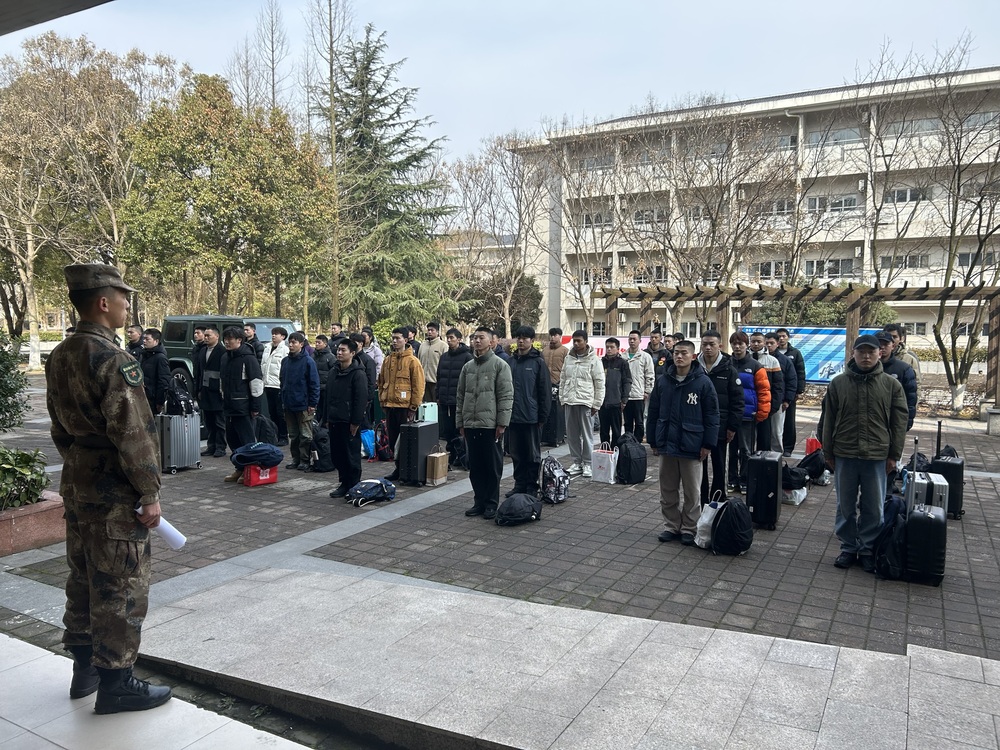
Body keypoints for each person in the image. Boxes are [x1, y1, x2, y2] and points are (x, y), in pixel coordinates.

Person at [45, 263, 172, 713]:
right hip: (116, 489)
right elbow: (134, 434)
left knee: (82, 575)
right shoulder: (114, 359)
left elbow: (59, 428)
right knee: (120, 583)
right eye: (123, 299)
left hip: (79, 481)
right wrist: (149, 492)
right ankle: (117, 683)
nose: (126, 307)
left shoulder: (60, 354)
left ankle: (85, 670)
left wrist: (80, 463)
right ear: (103, 302)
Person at [823, 334, 908, 572]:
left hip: (877, 455)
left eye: (871, 352)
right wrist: (827, 452)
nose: (866, 356)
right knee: (845, 506)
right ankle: (848, 548)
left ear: (880, 353)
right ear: (853, 354)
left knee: (874, 506)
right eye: (861, 352)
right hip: (845, 452)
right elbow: (827, 419)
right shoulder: (838, 383)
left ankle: (868, 548)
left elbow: (899, 423)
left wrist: (894, 455)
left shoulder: (891, 385)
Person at [646, 340, 719, 545]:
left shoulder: (702, 382)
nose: (679, 356)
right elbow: (653, 411)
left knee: (692, 491)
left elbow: (712, 415)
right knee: (667, 490)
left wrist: (708, 444)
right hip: (667, 443)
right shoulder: (664, 381)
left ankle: (689, 527)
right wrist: (653, 439)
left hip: (692, 444)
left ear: (692, 356)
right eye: (676, 353)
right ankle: (671, 525)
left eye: (684, 353)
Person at [457, 326, 514, 518]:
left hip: (490, 426)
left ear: (491, 341)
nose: (477, 341)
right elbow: (460, 396)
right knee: (475, 466)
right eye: (475, 338)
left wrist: (502, 423)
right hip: (471, 424)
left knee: (492, 466)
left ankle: (491, 503)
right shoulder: (468, 367)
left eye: (481, 337)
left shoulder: (500, 365)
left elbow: (506, 396)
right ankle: (479, 502)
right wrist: (460, 422)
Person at [697, 330, 743, 504]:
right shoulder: (694, 368)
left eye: (712, 344)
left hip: (720, 426)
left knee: (719, 464)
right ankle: (701, 499)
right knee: (698, 465)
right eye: (705, 344)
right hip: (697, 426)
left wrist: (732, 426)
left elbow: (738, 401)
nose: (708, 348)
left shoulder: (729, 370)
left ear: (720, 346)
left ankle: (718, 498)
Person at [506, 326, 551, 498]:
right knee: (516, 453)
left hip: (531, 417)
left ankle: (532, 486)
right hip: (512, 416)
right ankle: (519, 484)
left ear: (532, 341)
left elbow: (544, 391)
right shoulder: (510, 362)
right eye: (518, 337)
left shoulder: (538, 362)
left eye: (525, 338)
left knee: (532, 455)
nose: (521, 341)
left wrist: (543, 416)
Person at [376, 327, 425, 481]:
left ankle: (407, 470)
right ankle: (398, 468)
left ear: (406, 340)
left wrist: (413, 407)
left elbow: (418, 386)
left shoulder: (412, 361)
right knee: (393, 440)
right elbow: (381, 382)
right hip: (390, 406)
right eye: (393, 338)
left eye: (398, 338)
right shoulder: (387, 360)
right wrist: (382, 401)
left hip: (404, 408)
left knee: (405, 441)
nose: (395, 341)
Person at [728, 331, 771, 493]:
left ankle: (745, 480)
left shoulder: (755, 366)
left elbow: (764, 392)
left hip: (748, 415)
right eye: (734, 343)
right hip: (730, 415)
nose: (737, 347)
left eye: (741, 343)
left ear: (747, 345)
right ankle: (732, 480)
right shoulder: (726, 364)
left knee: (746, 450)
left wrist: (761, 413)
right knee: (731, 451)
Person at [326, 338, 369, 498]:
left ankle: (353, 484)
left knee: (351, 455)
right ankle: (344, 482)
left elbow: (360, 399)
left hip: (349, 421)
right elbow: (328, 396)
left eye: (343, 350)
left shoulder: (358, 374)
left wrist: (356, 422)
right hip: (334, 419)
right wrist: (326, 417)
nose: (339, 353)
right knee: (337, 454)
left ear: (352, 353)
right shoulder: (334, 371)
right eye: (338, 350)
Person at [220, 326, 264, 483]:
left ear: (239, 340)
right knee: (232, 440)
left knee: (247, 441)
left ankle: (250, 470)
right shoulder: (225, 357)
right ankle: (239, 468)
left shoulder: (248, 358)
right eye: (225, 339)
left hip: (243, 408)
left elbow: (256, 383)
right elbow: (222, 381)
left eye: (230, 339)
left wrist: (255, 407)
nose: (227, 342)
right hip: (229, 407)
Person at [559, 330, 605, 478]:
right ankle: (576, 462)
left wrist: (596, 404)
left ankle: (588, 463)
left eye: (579, 340)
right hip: (569, 401)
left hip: (586, 402)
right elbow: (563, 379)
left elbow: (599, 383)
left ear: (586, 341)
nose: (576, 343)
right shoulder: (569, 358)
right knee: (572, 435)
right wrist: (562, 398)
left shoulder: (594, 359)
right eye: (574, 341)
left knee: (586, 435)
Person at [279, 331, 320, 471]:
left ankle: (305, 460)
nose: (291, 345)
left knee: (305, 435)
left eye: (294, 342)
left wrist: (312, 404)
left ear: (301, 344)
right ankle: (295, 459)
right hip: (289, 404)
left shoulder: (308, 361)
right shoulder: (285, 361)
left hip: (304, 405)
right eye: (289, 342)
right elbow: (282, 381)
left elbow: (314, 384)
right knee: (293, 435)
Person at [436, 327, 473, 447]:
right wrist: (438, 395)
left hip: (458, 400)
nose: (449, 340)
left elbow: (470, 380)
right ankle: (450, 451)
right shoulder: (444, 357)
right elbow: (439, 377)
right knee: (446, 429)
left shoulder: (467, 357)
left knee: (458, 429)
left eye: (451, 338)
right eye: (447, 338)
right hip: (444, 399)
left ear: (459, 339)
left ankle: (460, 452)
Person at [749, 331, 783, 452]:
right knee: (747, 440)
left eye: (759, 341)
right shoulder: (744, 359)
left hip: (765, 406)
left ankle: (763, 462)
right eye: (753, 341)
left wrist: (773, 406)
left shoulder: (772, 361)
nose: (756, 344)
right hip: (748, 406)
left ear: (764, 343)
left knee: (764, 440)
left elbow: (778, 386)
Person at [876, 331, 918, 430]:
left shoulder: (903, 368)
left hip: (895, 421)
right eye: (879, 344)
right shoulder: (865, 369)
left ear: (893, 346)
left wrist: (907, 422)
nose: (882, 347)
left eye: (886, 344)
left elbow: (911, 397)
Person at [775, 328, 807, 456]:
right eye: (779, 336)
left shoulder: (795, 353)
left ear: (788, 337)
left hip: (790, 392)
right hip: (776, 393)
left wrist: (799, 390)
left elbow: (800, 372)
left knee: (789, 421)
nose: (781, 338)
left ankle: (788, 448)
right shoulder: (772, 353)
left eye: (784, 336)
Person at [765, 332, 798, 455]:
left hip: (778, 401)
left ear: (777, 344)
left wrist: (787, 400)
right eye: (767, 343)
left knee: (776, 431)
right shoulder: (757, 359)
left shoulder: (785, 360)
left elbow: (791, 380)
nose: (769, 346)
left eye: (771, 343)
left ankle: (776, 456)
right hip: (762, 401)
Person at [196, 325, 226, 458]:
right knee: (208, 421)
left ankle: (220, 447)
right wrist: (198, 389)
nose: (206, 338)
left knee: (219, 421)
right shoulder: (202, 351)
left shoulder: (222, 351)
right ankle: (211, 446)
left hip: (217, 391)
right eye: (205, 336)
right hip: (205, 390)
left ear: (217, 336)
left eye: (209, 335)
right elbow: (199, 371)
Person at [599, 337, 632, 446]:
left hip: (616, 402)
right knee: (603, 431)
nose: (609, 349)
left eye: (612, 347)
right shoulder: (601, 362)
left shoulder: (622, 363)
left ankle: (616, 451)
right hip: (603, 403)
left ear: (618, 349)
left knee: (616, 431)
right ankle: (604, 451)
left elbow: (627, 382)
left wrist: (624, 399)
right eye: (607, 347)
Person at [624, 330, 654, 442]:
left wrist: (647, 391)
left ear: (640, 341)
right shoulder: (623, 357)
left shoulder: (645, 357)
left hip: (639, 395)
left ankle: (637, 443)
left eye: (634, 339)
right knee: (627, 422)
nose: (632, 341)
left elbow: (650, 375)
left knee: (639, 422)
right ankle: (628, 443)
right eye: (630, 339)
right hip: (626, 396)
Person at [261, 326, 289, 446]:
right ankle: (275, 435)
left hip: (278, 385)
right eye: (272, 333)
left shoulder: (285, 350)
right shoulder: (267, 347)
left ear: (282, 337)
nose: (273, 336)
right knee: (271, 412)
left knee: (280, 413)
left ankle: (283, 436)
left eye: (276, 334)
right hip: (267, 384)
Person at [541, 327, 568, 447]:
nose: (552, 337)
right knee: (546, 410)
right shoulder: (544, 351)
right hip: (546, 385)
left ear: (560, 336)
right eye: (551, 335)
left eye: (555, 335)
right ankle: (545, 437)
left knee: (558, 413)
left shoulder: (565, 351)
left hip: (559, 384)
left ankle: (558, 436)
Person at [139, 328, 170, 415]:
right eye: (143, 339)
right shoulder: (143, 355)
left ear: (156, 341)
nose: (144, 341)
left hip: (152, 399)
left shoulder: (160, 358)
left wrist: (160, 402)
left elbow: (163, 381)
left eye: (147, 339)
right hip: (142, 397)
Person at [883, 323, 922, 390]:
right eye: (889, 336)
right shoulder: (876, 357)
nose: (892, 340)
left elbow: (917, 384)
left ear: (902, 338)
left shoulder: (910, 359)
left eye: (894, 337)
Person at [417, 321, 449, 403]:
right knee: (425, 405)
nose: (430, 332)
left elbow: (446, 364)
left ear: (437, 332)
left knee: (436, 405)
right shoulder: (422, 345)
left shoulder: (443, 346)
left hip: (436, 382)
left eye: (432, 330)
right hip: (423, 382)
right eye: (428, 330)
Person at [313, 334, 337, 418]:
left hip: (325, 388)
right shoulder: (313, 356)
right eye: (316, 342)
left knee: (324, 409)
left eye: (319, 342)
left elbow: (335, 371)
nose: (316, 344)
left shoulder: (330, 357)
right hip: (314, 387)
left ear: (325, 344)